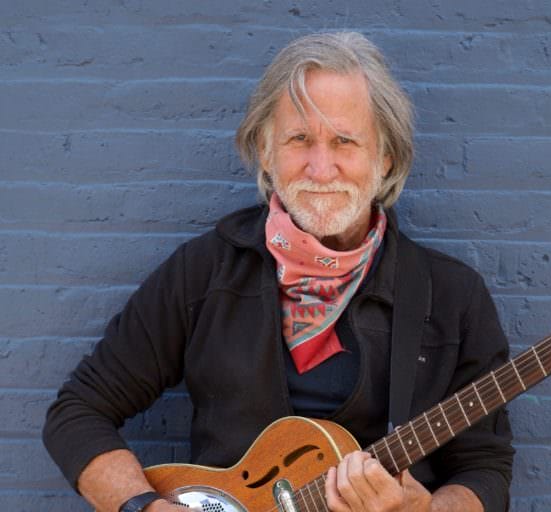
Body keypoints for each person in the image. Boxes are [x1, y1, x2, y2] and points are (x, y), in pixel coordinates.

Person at [43, 32, 514, 512]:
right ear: (266, 152)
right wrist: (142, 507)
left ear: (385, 157)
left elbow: (485, 470)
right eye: (299, 139)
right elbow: (78, 411)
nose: (321, 167)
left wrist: (424, 510)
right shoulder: (205, 272)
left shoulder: (451, 297)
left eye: (344, 141)